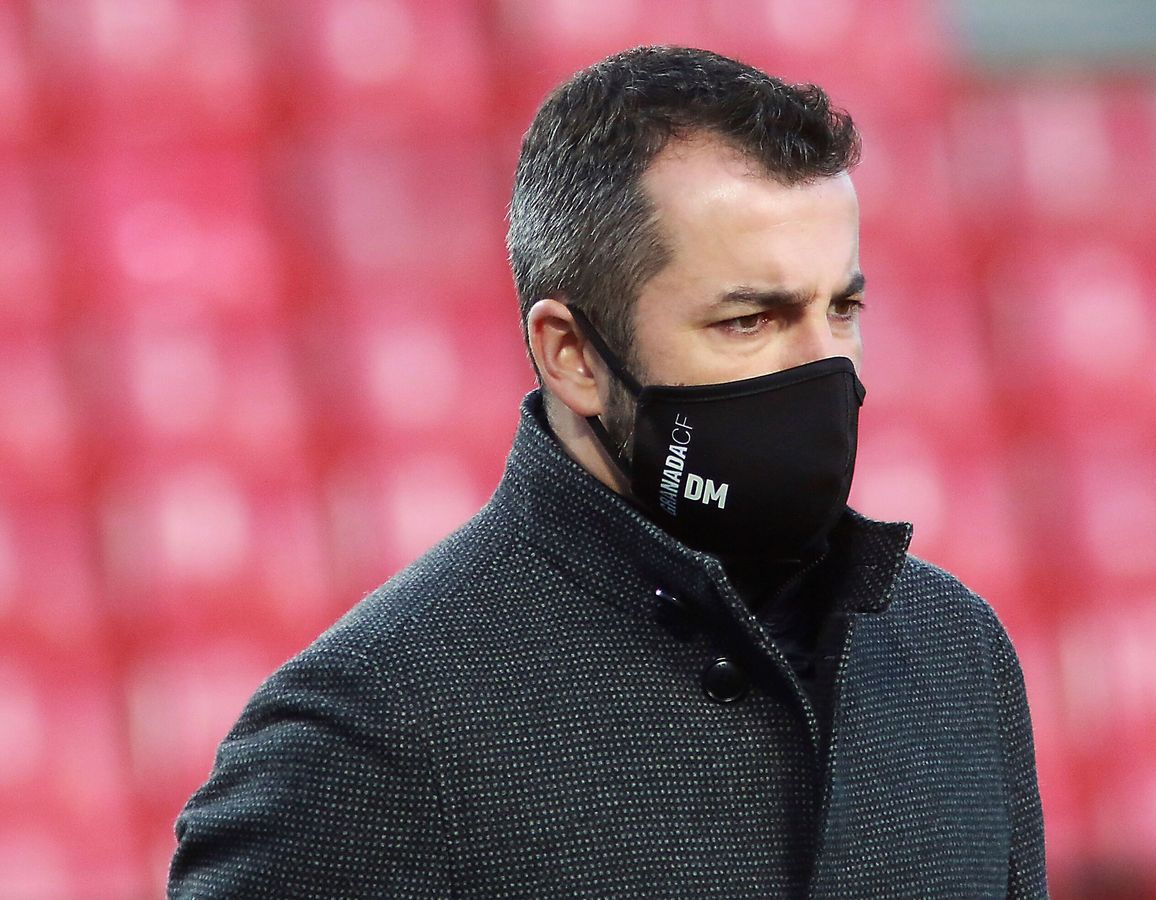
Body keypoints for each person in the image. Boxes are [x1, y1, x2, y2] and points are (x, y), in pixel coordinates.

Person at [169, 46, 1046, 898]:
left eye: (843, 308)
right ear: (572, 354)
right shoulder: (368, 731)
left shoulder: (953, 652)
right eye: (750, 321)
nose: (827, 368)